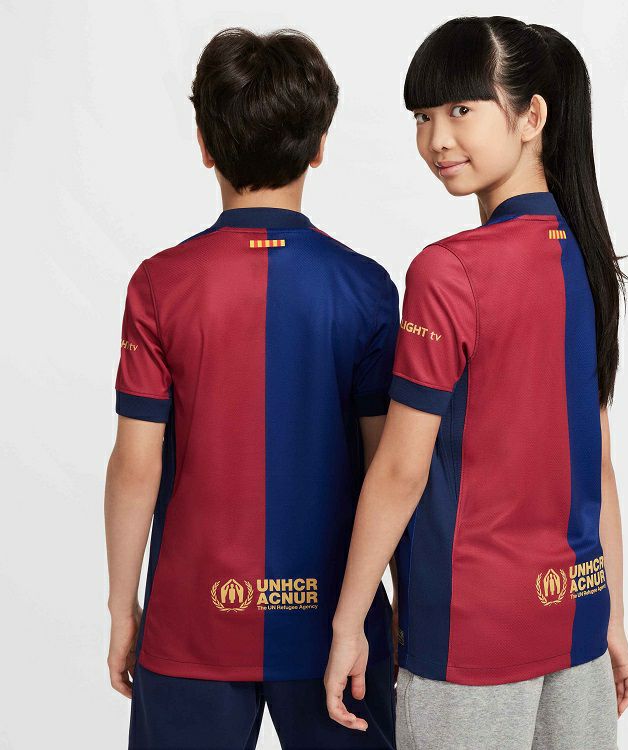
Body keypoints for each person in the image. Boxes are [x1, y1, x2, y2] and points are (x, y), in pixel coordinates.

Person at [324, 16, 628, 750]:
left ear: (532, 116)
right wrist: (613, 616)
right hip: (577, 619)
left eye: (461, 109)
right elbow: (596, 462)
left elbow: (400, 469)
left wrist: (349, 623)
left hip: (469, 635)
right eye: (422, 116)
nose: (438, 139)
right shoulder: (584, 255)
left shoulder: (448, 270)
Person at [104, 27, 398, 750]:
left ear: (205, 144)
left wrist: (122, 608)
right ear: (319, 146)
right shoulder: (366, 288)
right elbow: (388, 469)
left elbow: (136, 464)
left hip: (191, 621)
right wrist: (405, 612)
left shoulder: (159, 285)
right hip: (336, 623)